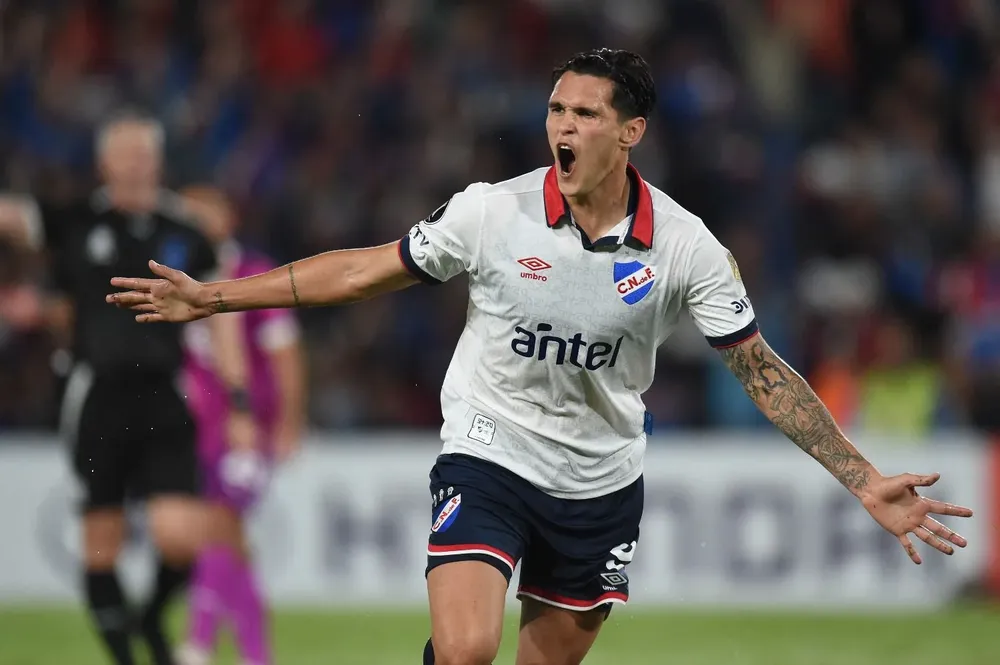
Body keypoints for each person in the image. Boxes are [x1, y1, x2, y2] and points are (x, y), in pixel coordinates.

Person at [106, 50, 974, 665]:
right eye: (556, 108)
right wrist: (214, 296)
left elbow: (761, 370)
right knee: (468, 647)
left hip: (599, 482)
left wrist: (861, 477)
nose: (561, 125)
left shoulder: (686, 247)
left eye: (584, 113)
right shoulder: (492, 212)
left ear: (629, 132)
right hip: (491, 447)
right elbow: (367, 269)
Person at [0, 112, 221, 665]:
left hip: (165, 395)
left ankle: (149, 617)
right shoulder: (76, 220)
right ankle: (126, 657)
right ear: (104, 164)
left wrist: (234, 391)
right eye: (125, 155)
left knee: (182, 537)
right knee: (102, 541)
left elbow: (221, 307)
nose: (135, 166)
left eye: (144, 155)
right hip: (97, 397)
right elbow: (12, 218)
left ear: (158, 161)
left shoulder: (186, 231)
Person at [173, 186, 305, 665]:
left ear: (227, 218)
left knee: (220, 525)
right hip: (201, 430)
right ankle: (256, 656)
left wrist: (288, 421)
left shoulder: (253, 274)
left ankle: (199, 640)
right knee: (227, 540)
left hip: (247, 426)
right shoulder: (180, 277)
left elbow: (285, 353)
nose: (195, 224)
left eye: (203, 214)